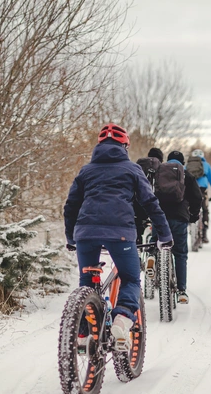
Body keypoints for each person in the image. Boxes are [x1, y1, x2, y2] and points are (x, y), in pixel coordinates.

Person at [64, 124, 173, 347]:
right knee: (130, 278)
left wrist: (71, 238)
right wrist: (164, 235)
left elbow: (71, 206)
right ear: (124, 146)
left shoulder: (86, 171)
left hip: (86, 233)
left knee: (87, 280)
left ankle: (84, 334)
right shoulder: (132, 170)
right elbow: (150, 203)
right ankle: (122, 318)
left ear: (99, 145)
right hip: (120, 233)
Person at [152, 150, 202, 304]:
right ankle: (181, 291)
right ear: (183, 162)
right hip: (179, 219)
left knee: (156, 244)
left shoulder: (159, 173)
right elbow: (197, 197)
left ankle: (153, 259)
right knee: (180, 254)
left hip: (160, 217)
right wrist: (193, 215)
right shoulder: (187, 175)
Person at [185, 148, 211, 243]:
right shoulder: (206, 165)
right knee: (205, 209)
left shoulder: (188, 165)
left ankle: (188, 226)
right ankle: (204, 234)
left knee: (187, 208)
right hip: (202, 189)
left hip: (189, 188)